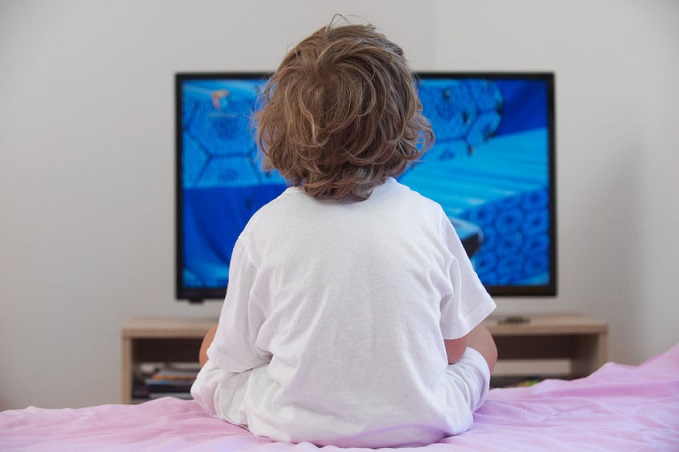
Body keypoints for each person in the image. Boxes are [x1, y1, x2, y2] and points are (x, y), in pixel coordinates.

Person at [190, 18, 498, 448]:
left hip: (294, 420)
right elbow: (450, 351)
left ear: (279, 129)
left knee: (216, 354)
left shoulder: (265, 227)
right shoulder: (429, 217)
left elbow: (239, 358)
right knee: (481, 338)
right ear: (404, 125)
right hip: (423, 417)